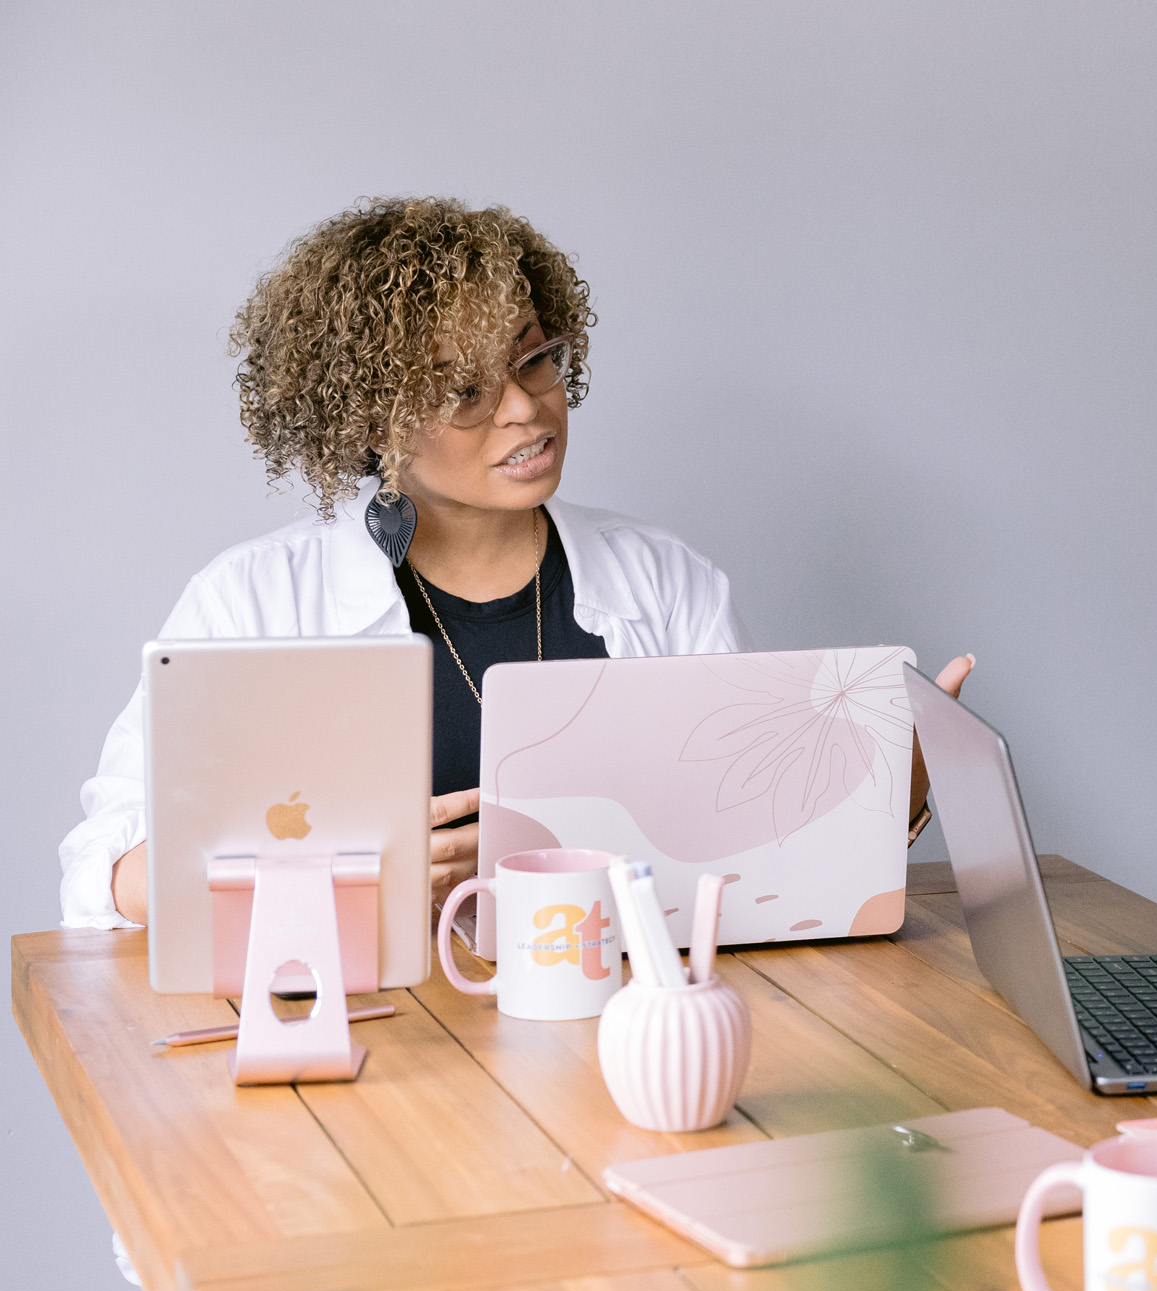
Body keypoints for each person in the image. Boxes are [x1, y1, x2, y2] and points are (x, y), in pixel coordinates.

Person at [60, 198, 969, 930]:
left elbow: (757, 857)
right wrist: (341, 878)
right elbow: (104, 876)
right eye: (464, 391)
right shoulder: (250, 602)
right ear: (370, 425)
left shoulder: (666, 581)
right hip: (385, 1063)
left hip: (617, 1027)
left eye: (533, 359)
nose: (526, 410)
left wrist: (895, 790)